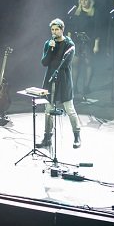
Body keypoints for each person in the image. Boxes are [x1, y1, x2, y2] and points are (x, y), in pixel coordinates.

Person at [38, 18, 82, 149]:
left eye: (57, 29)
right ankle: (47, 137)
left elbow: (66, 63)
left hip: (64, 78)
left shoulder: (69, 44)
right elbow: (44, 63)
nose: (54, 32)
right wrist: (50, 49)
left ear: (62, 29)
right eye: (52, 29)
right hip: (50, 78)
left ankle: (77, 136)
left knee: (69, 109)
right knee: (48, 109)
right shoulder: (48, 43)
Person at [68, 0, 99, 100]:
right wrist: (69, 40)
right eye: (81, 0)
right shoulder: (76, 12)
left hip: (89, 42)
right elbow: (70, 28)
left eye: (85, 0)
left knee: (88, 64)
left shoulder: (94, 12)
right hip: (77, 41)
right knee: (75, 64)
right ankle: (74, 87)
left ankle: (86, 87)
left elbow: (97, 30)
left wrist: (96, 45)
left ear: (90, 1)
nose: (83, 2)